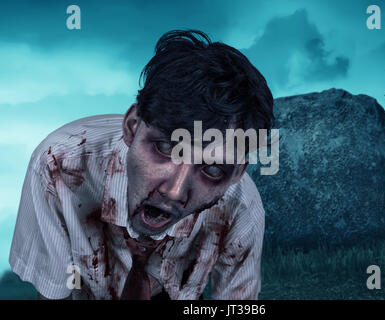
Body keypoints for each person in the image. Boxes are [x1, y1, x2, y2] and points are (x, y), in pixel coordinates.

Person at [9, 29, 274, 300]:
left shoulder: (242, 207)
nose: (174, 191)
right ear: (132, 127)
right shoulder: (59, 166)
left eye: (213, 170)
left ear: (237, 173)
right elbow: (53, 293)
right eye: (165, 147)